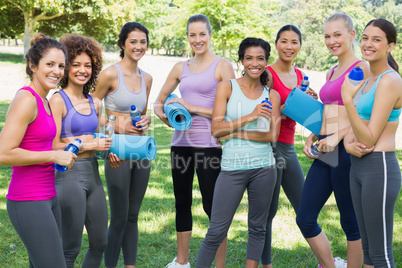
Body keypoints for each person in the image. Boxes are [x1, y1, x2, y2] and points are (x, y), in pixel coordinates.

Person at [154, 14, 235, 268]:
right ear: (187, 37)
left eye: (202, 34)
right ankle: (181, 262)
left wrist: (192, 106)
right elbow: (158, 102)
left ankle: (219, 265)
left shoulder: (222, 66)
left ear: (210, 35)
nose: (197, 40)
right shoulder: (181, 67)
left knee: (213, 208)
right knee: (182, 203)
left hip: (209, 146)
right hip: (180, 144)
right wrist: (167, 115)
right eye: (192, 35)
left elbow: (232, 111)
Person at [196, 37, 281, 268]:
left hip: (264, 167)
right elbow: (216, 129)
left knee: (257, 228)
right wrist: (250, 117)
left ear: (266, 61)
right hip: (232, 168)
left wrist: (233, 132)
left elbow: (271, 135)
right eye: (249, 58)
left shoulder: (272, 95)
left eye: (260, 58)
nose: (255, 63)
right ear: (242, 60)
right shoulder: (227, 87)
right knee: (216, 230)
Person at [296, 12, 370, 268]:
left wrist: (337, 136)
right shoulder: (331, 72)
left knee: (350, 222)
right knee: (304, 217)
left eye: (337, 35)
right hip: (327, 148)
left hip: (348, 151)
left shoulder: (361, 68)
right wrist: (313, 135)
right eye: (327, 36)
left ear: (351, 35)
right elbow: (331, 110)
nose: (331, 41)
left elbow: (364, 113)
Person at [0, 33, 76, 268]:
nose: (57, 71)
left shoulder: (45, 100)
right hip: (28, 199)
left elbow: (40, 143)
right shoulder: (27, 99)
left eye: (61, 65)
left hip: (48, 195)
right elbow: (3, 153)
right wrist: (53, 155)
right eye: (50, 64)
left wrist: (67, 147)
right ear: (33, 66)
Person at [91, 21, 152, 268]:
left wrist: (145, 120)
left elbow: (142, 115)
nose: (139, 46)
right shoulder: (110, 74)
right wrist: (115, 130)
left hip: (141, 151)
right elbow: (91, 109)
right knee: (118, 217)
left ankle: (130, 266)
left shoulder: (147, 78)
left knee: (133, 215)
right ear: (122, 44)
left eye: (143, 41)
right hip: (117, 150)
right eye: (133, 41)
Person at [341, 18, 401, 268]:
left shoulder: (390, 80)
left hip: (380, 168)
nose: (368, 44)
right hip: (358, 168)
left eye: (377, 39)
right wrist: (346, 144)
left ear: (390, 46)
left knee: (380, 254)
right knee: (367, 250)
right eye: (365, 38)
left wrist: (346, 100)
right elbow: (353, 128)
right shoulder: (366, 79)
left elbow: (369, 137)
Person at [49, 34, 110, 268]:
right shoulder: (58, 100)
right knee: (70, 248)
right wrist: (89, 144)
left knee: (100, 243)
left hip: (93, 176)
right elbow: (53, 146)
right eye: (76, 65)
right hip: (68, 176)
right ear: (66, 67)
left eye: (88, 65)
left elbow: (97, 138)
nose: (82, 70)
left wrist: (106, 150)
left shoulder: (95, 102)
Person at [261, 25, 317, 268]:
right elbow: (263, 115)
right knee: (267, 212)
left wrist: (309, 102)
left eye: (294, 42)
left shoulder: (300, 75)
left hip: (289, 147)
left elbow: (304, 116)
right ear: (276, 44)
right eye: (284, 41)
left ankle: (325, 260)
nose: (289, 46)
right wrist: (292, 105)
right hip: (269, 146)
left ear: (300, 46)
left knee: (305, 206)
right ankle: (266, 264)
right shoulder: (268, 73)